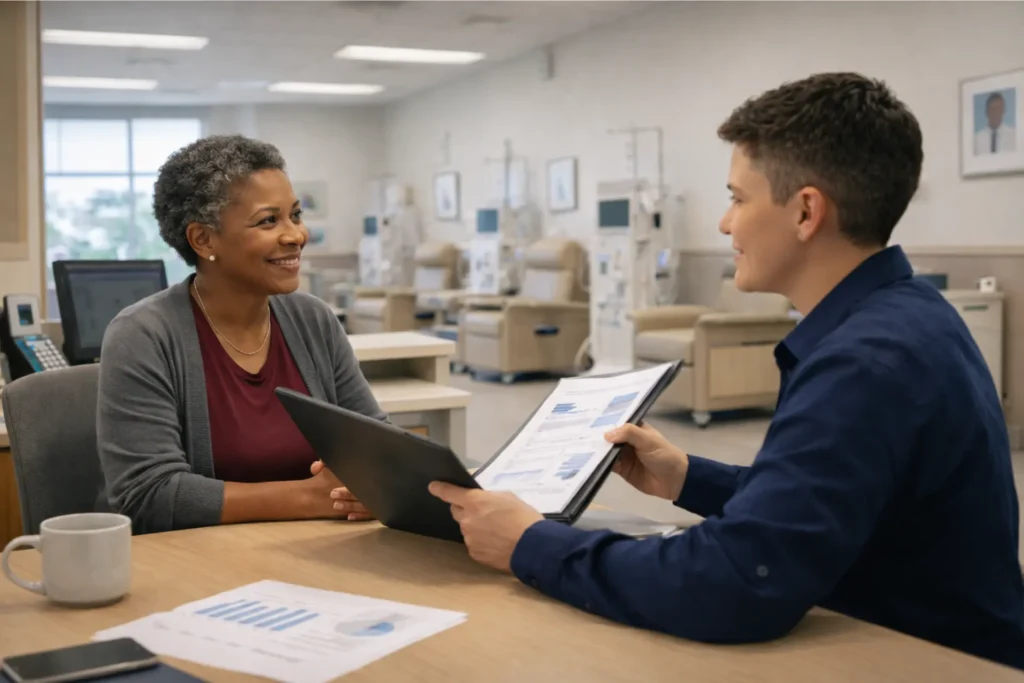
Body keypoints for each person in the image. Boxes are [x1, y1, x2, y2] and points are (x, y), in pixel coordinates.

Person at [429, 73, 1024, 670]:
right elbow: (820, 505)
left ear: (806, 211)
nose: (723, 223)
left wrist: (530, 543)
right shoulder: (908, 313)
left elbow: (739, 581)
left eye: (738, 199)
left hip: (931, 660)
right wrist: (689, 477)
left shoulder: (863, 361)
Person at [97, 135, 382, 534]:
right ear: (203, 239)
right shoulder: (143, 335)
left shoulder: (313, 320)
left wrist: (375, 482)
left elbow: (378, 445)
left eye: (295, 215)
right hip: (199, 564)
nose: (296, 235)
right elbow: (149, 495)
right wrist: (312, 497)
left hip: (316, 551)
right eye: (269, 220)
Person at [974, 90, 1017, 155]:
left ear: (1003, 111)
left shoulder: (1014, 136)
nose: (996, 113)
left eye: (999, 109)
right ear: (987, 112)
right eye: (993, 109)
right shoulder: (977, 139)